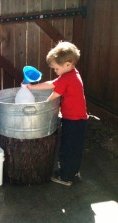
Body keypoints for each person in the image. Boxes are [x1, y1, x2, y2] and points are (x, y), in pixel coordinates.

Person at [26, 41, 88, 186]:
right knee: (75, 147)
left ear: (67, 64)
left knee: (67, 148)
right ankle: (73, 171)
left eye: (56, 68)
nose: (55, 71)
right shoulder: (73, 73)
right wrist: (33, 87)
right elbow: (52, 83)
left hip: (72, 120)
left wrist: (42, 107)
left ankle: (65, 177)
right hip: (80, 119)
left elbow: (53, 95)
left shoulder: (68, 78)